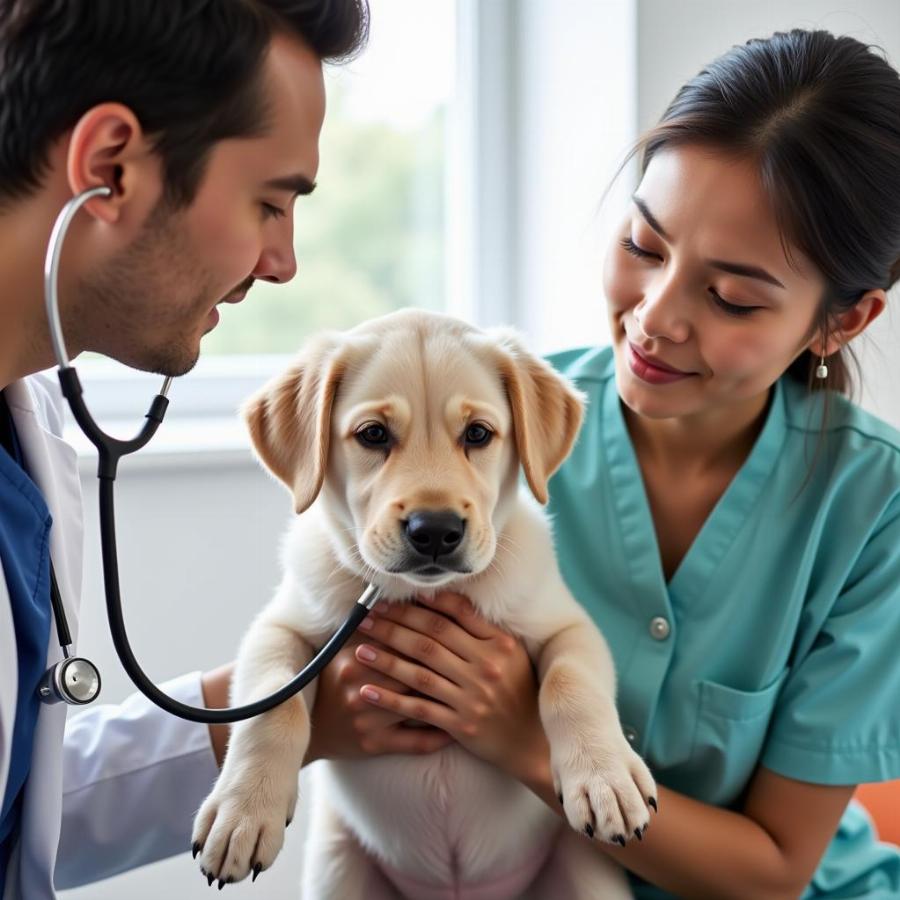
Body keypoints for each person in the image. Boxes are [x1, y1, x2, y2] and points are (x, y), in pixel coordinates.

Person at [305, 29, 900, 898]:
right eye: (644, 246)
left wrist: (526, 740)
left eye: (730, 296)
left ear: (840, 322)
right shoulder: (494, 427)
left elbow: (774, 870)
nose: (655, 319)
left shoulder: (871, 505)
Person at [0, 2, 368, 897]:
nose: (283, 261)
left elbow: (19, 809)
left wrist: (286, 701)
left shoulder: (28, 429)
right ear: (110, 167)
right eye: (270, 203)